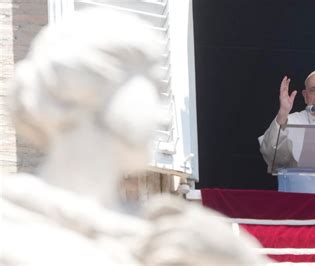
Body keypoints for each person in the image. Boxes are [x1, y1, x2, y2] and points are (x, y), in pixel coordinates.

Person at [2, 8, 270, 265]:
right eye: (152, 86)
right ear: (87, 88)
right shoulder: (13, 226)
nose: (162, 114)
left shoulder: (172, 236)